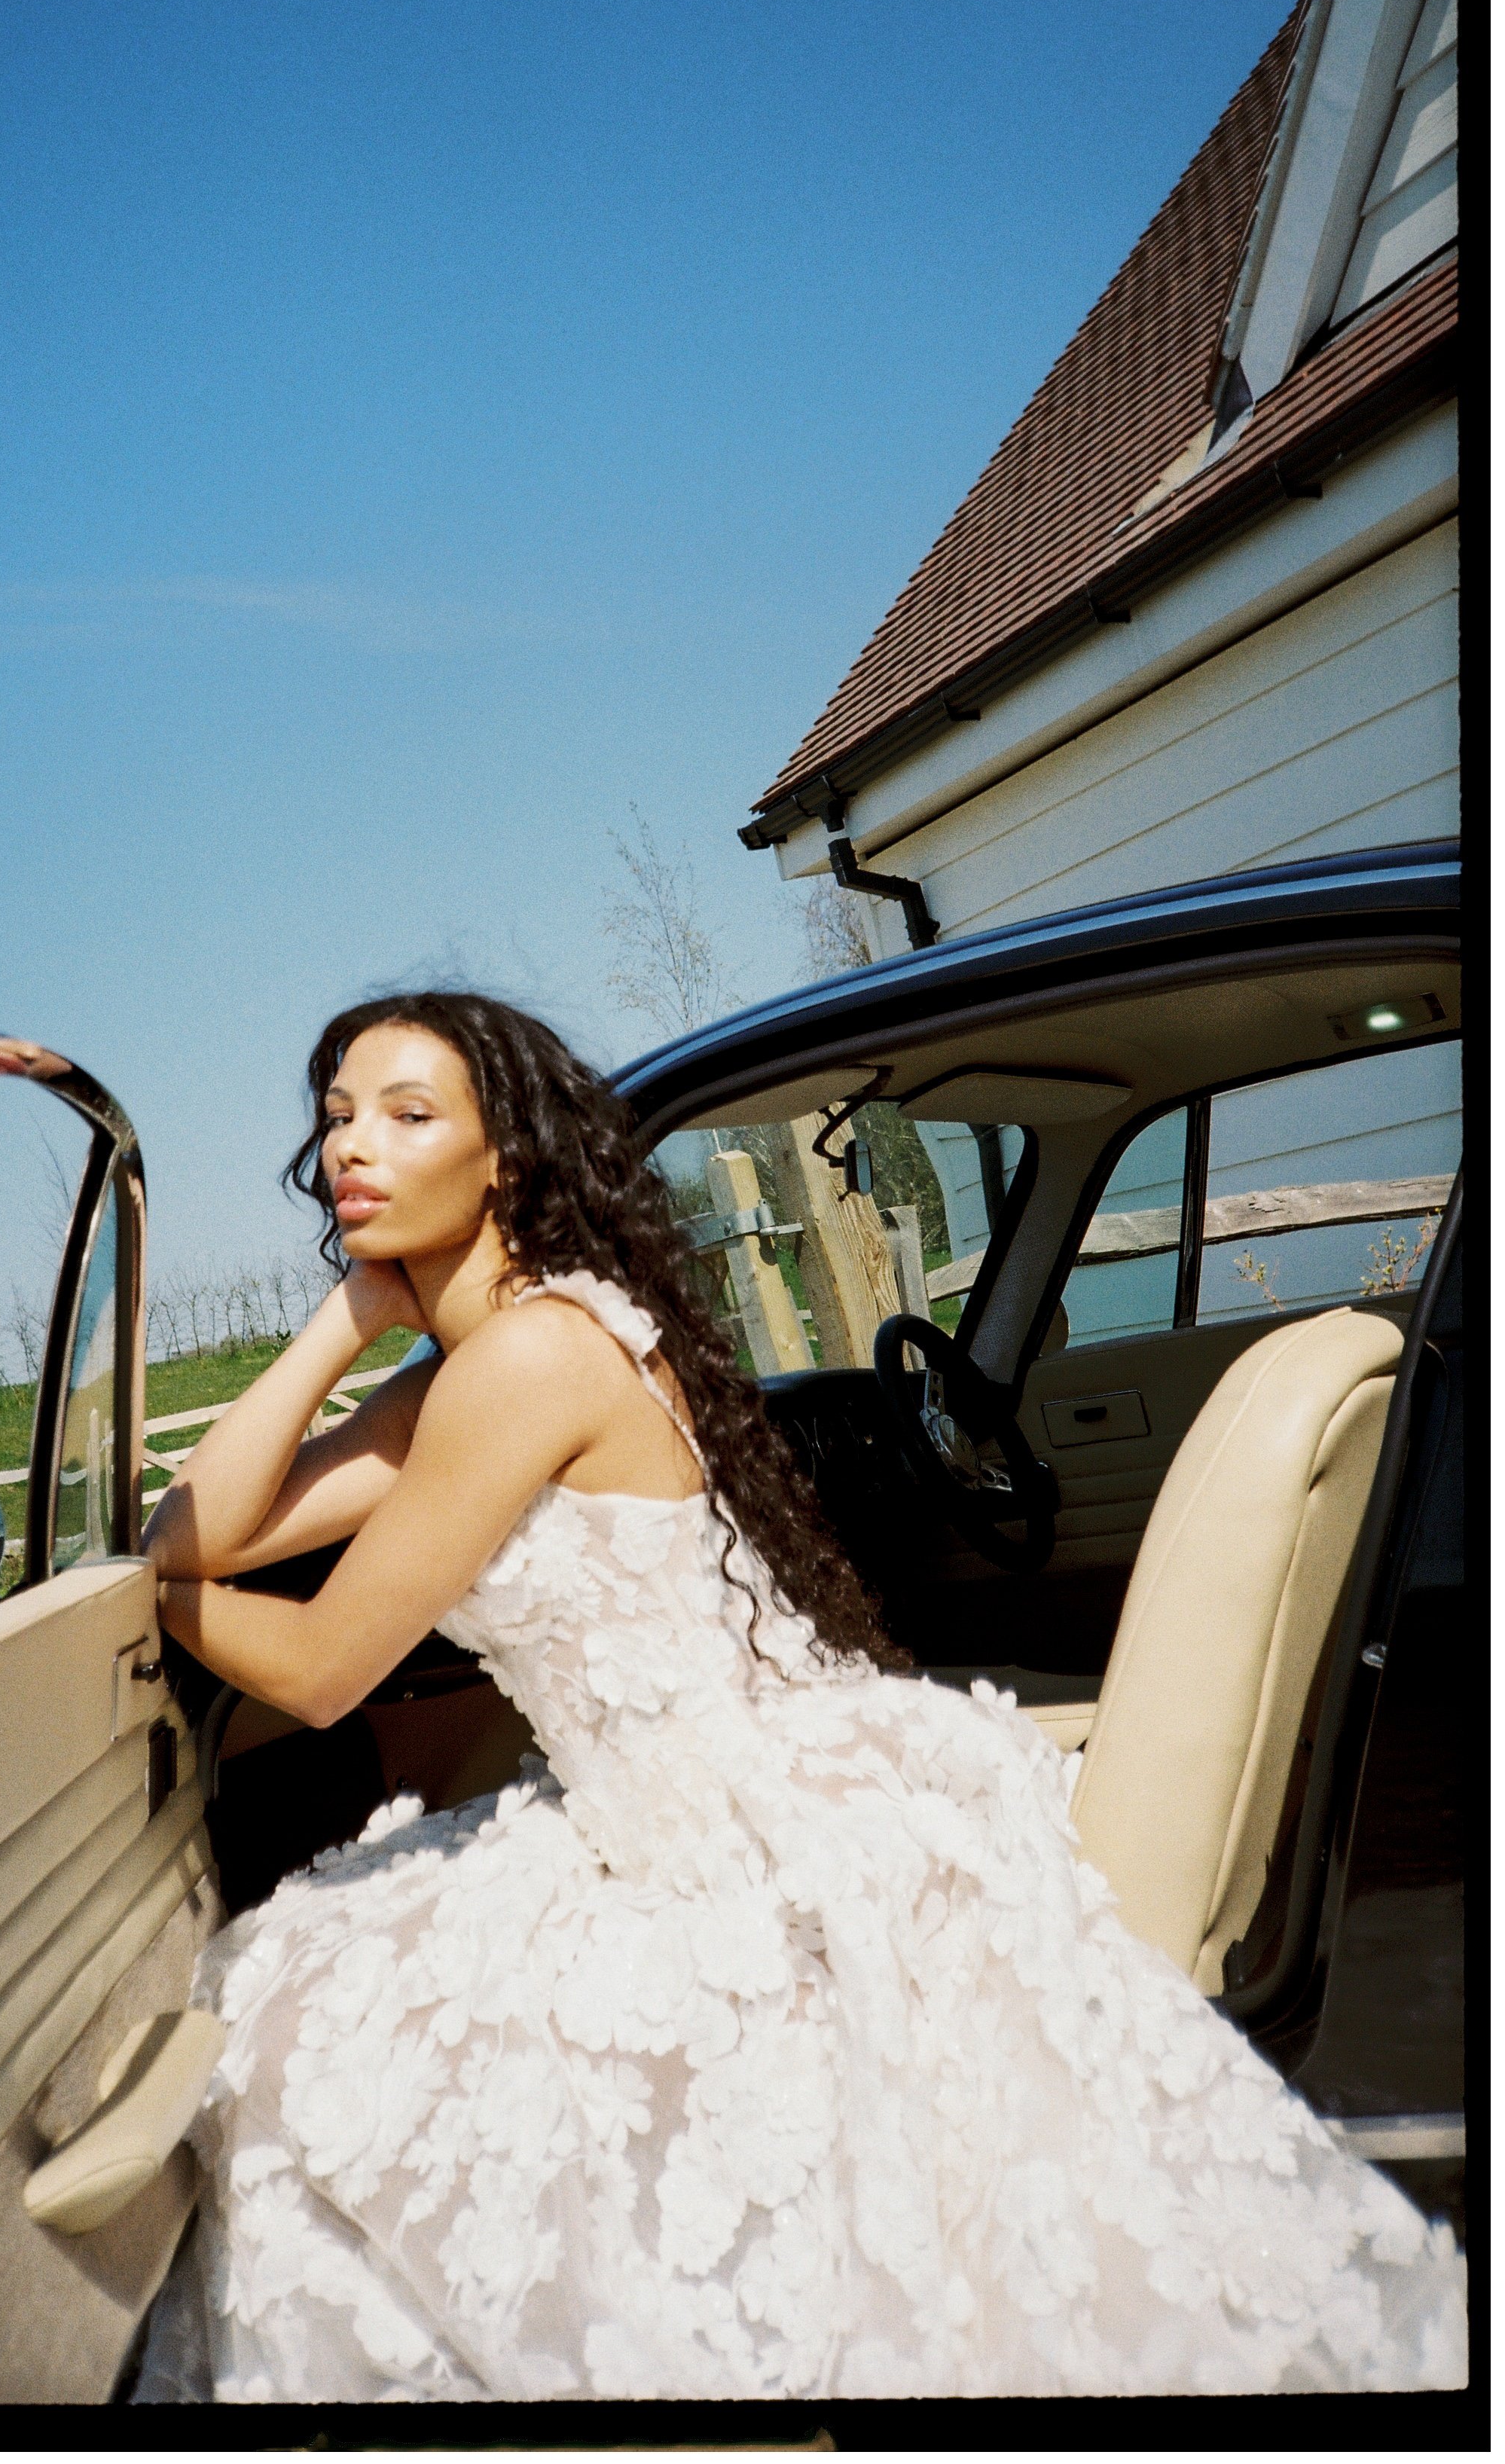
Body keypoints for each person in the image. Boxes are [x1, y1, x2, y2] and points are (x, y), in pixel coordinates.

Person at [133, 991, 1464, 2403]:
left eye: (409, 1115)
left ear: (505, 1156)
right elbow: (197, 1529)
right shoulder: (502, 1354)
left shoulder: (525, 1359)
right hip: (695, 1798)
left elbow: (320, 1663)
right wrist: (348, 1317)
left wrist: (161, 1613)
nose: (355, 1144)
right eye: (339, 1115)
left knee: (297, 2026)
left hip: (723, 1841)